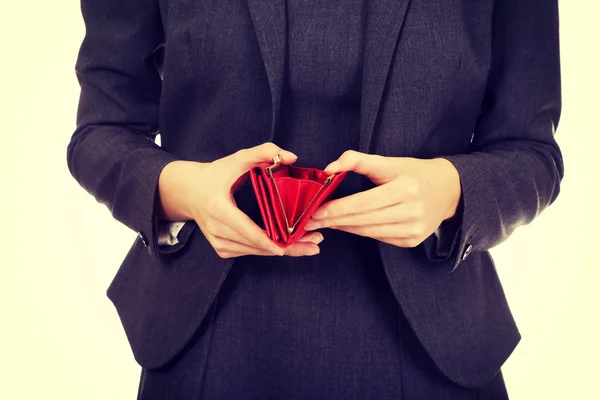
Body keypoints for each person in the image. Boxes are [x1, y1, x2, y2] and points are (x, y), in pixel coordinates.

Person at [66, 0, 563, 398]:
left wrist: (453, 190)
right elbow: (101, 132)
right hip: (210, 338)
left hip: (432, 344)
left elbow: (533, 152)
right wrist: (184, 190)